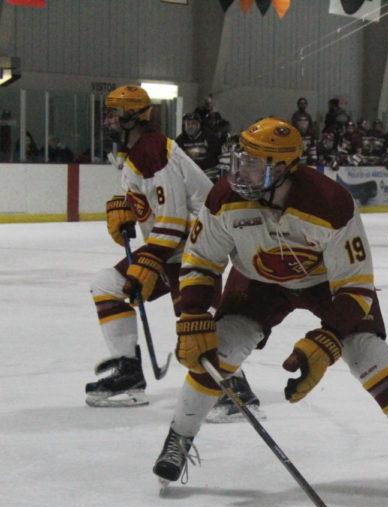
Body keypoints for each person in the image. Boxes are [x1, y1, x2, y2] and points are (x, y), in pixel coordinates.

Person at [151, 118, 388, 507]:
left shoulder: (331, 205)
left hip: (326, 285)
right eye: (241, 158)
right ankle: (178, 438)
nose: (240, 170)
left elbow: (355, 285)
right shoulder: (223, 200)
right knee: (221, 348)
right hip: (258, 281)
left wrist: (329, 339)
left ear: (283, 167)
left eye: (253, 162)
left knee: (369, 354)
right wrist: (193, 312)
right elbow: (201, 259)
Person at [86, 85, 263, 418]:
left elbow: (175, 218)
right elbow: (159, 213)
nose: (106, 120)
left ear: (132, 116)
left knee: (193, 320)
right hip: (173, 248)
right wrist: (128, 212)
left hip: (200, 245)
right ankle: (129, 373)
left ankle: (234, 390)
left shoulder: (152, 151)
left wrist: (149, 259)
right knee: (107, 285)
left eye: (113, 113)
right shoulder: (138, 152)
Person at [175, 112, 222, 181]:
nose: (190, 126)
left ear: (199, 125)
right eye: (188, 124)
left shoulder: (210, 138)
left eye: (193, 123)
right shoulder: (180, 140)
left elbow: (217, 157)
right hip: (188, 175)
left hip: (208, 175)